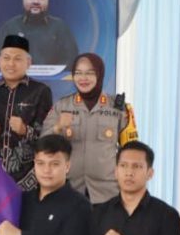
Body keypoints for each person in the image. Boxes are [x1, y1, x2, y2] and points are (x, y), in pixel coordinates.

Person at [43, 53, 138, 204]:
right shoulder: (62, 106)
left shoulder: (119, 108)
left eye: (89, 73)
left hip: (108, 194)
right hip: (69, 192)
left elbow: (132, 151)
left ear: (99, 75)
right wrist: (57, 127)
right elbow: (42, 144)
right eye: (78, 73)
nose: (83, 78)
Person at [0, 35, 54, 191]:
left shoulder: (40, 91)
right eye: (6, 58)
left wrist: (25, 130)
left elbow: (47, 136)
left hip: (29, 177)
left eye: (17, 59)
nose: (11, 63)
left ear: (28, 63)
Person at [0, 0, 78, 67]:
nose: (36, 1)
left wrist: (52, 75)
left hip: (53, 80)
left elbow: (71, 58)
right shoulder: (10, 26)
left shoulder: (60, 27)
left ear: (48, 1)